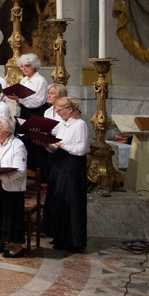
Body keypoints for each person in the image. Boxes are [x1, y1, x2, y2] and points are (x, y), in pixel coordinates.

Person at [45, 98, 90, 252]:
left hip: (72, 166)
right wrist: (45, 144)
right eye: (56, 111)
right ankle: (59, 236)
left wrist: (61, 144)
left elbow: (81, 149)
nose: (58, 114)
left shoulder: (80, 125)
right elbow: (54, 148)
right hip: (59, 164)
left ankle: (73, 240)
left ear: (70, 109)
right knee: (59, 200)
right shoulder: (61, 125)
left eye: (60, 111)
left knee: (72, 201)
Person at [0, 116, 28, 258]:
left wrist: (1, 176)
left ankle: (17, 247)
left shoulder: (18, 145)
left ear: (7, 131)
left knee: (11, 216)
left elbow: (20, 171)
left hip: (11, 188)